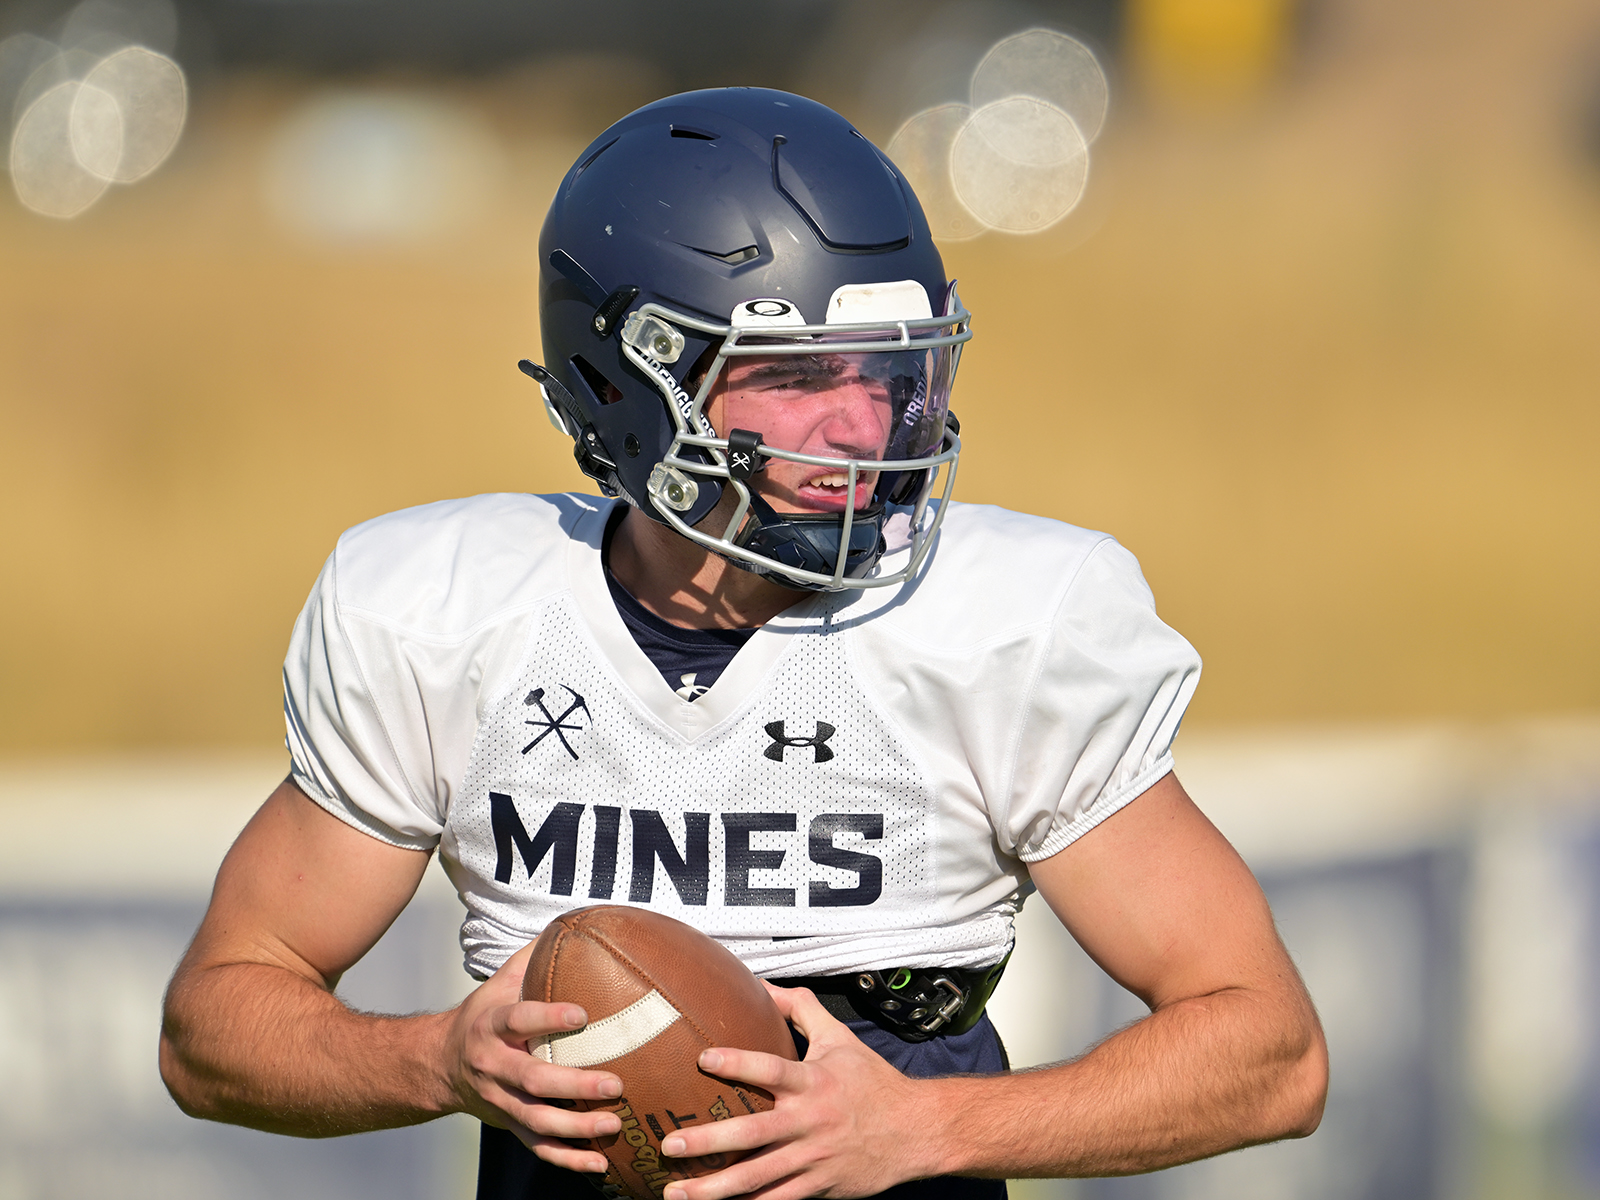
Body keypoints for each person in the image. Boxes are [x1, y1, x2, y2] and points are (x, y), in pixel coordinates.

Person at [159, 87, 1327, 1200]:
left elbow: (1269, 1051)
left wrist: (923, 1127)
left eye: (887, 371)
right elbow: (213, 1031)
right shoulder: (451, 617)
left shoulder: (999, 624)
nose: (862, 422)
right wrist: (432, 1061)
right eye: (795, 373)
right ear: (623, 384)